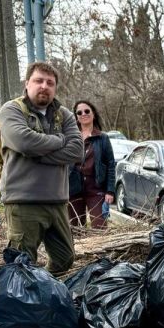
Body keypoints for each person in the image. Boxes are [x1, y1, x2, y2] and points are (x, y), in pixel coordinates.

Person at [0, 61, 82, 274]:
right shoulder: (12, 109)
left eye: (50, 83)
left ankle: (45, 292)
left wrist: (38, 155)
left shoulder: (64, 115)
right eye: (38, 81)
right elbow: (24, 142)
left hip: (57, 199)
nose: (44, 86)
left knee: (65, 258)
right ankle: (25, 304)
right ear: (27, 83)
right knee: (21, 265)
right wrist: (58, 140)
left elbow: (76, 151)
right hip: (23, 200)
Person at [69, 99, 116, 230]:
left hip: (96, 189)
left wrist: (110, 191)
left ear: (93, 113)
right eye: (79, 112)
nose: (83, 114)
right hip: (73, 188)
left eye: (87, 111)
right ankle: (76, 251)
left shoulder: (102, 138)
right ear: (76, 117)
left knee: (99, 228)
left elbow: (111, 165)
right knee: (74, 230)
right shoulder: (71, 137)